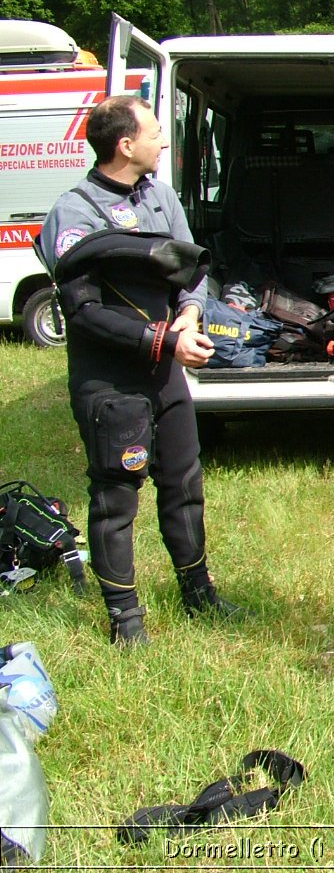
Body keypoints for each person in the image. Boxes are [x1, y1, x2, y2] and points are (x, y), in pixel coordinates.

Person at [36, 95, 239, 647]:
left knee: (184, 484)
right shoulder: (74, 211)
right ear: (125, 145)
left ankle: (199, 594)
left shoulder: (161, 195)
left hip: (166, 373)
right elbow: (84, 313)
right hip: (111, 381)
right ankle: (125, 619)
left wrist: (191, 316)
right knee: (115, 497)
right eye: (154, 131)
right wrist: (164, 340)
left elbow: (193, 271)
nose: (163, 140)